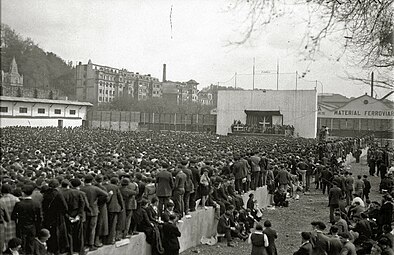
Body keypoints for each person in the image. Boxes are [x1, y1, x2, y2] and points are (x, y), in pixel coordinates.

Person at [11, 184, 42, 255]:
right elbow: (39, 217)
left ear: (23, 193)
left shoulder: (19, 204)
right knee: (31, 244)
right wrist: (38, 227)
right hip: (32, 226)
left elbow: (13, 216)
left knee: (22, 244)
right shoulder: (36, 204)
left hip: (21, 226)